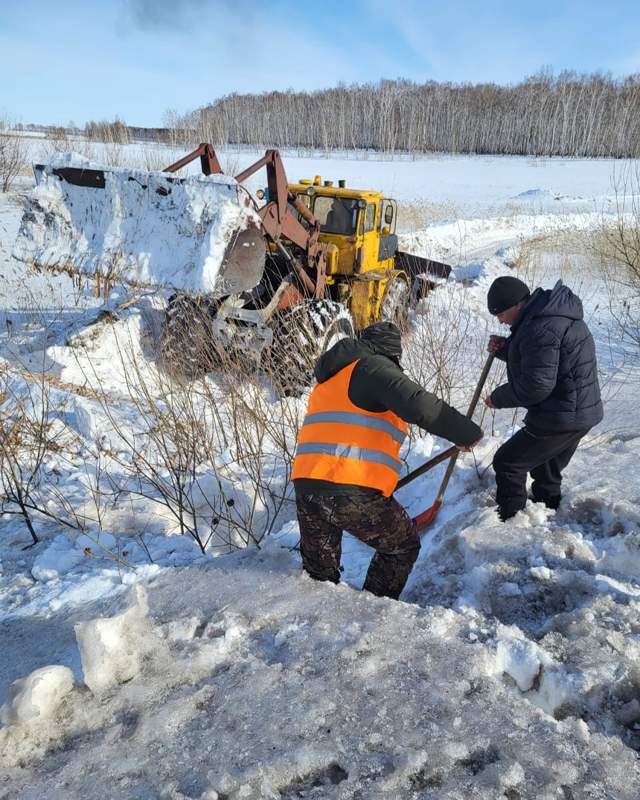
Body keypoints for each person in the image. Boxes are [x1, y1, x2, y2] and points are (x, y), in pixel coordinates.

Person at [291, 321, 483, 600]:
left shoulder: (331, 379)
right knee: (402, 546)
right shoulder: (373, 367)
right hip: (348, 490)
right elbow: (419, 404)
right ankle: (371, 613)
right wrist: (466, 432)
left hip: (307, 487)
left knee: (319, 577)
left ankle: (317, 629)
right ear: (392, 353)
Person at [484, 276, 603, 521]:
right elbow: (542, 361)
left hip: (561, 415)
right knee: (546, 466)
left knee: (508, 462)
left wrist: (498, 397)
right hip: (579, 411)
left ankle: (512, 521)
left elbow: (536, 386)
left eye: (501, 313)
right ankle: (548, 510)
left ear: (517, 304)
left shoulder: (540, 327)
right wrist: (506, 349)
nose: (500, 320)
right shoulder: (548, 317)